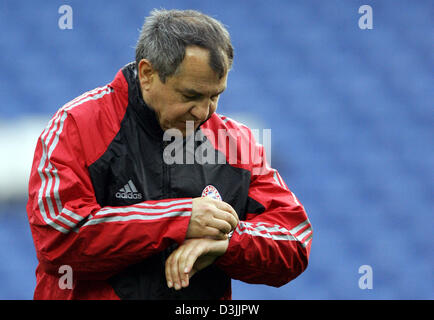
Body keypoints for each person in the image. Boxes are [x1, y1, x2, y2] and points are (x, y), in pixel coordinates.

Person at [26, 9, 312, 300]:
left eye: (214, 96)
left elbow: (295, 241)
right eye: (190, 96)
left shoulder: (235, 144)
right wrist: (181, 219)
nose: (202, 113)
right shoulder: (76, 126)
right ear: (147, 74)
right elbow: (57, 240)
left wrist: (226, 244)